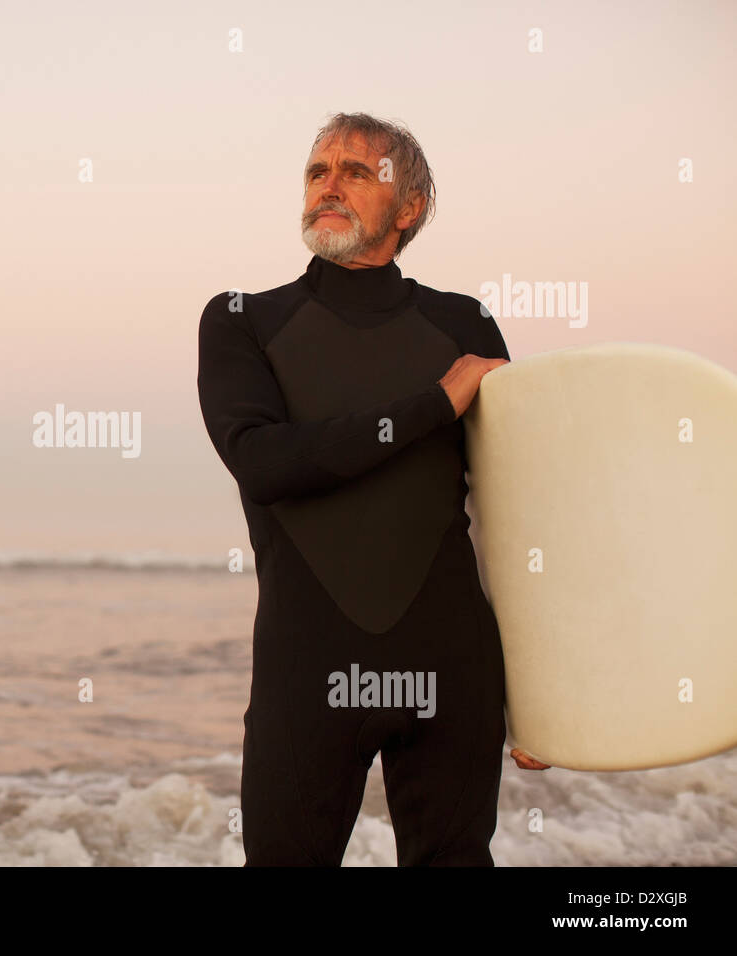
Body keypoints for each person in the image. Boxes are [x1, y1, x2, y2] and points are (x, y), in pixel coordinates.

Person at [197, 112, 547, 868]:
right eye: (318, 171)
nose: (329, 184)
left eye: (357, 171)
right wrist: (435, 403)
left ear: (410, 206)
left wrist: (549, 690)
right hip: (309, 674)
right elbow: (264, 462)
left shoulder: (464, 323)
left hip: (452, 675)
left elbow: (513, 515)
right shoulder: (243, 320)